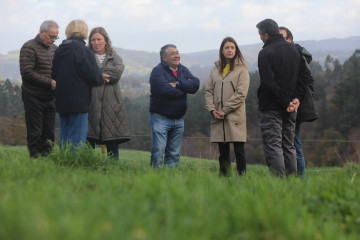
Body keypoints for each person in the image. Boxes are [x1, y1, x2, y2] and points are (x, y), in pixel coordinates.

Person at [256, 19, 308, 177]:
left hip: (272, 107)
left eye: (260, 35)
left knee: (274, 146)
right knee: (288, 145)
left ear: (266, 35)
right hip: (292, 106)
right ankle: (292, 182)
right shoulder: (294, 50)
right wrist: (296, 99)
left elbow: (268, 82)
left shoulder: (265, 52)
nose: (260, 38)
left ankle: (279, 183)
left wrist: (286, 102)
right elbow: (305, 76)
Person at [51, 20, 109, 148]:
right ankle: (74, 166)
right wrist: (101, 77)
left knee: (65, 137)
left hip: (61, 99)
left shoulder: (59, 50)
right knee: (77, 139)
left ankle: (62, 164)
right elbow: (93, 77)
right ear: (84, 32)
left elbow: (54, 74)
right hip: (79, 100)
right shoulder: (83, 51)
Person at [205, 37, 250, 176]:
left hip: (235, 115)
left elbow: (241, 94)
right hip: (218, 115)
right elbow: (208, 91)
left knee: (239, 150)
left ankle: (242, 178)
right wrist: (212, 109)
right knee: (222, 151)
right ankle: (224, 178)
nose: (230, 50)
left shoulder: (242, 70)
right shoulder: (214, 70)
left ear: (236, 50)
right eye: (227, 47)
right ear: (222, 50)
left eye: (232, 47)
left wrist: (225, 110)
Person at [149, 44, 200, 168]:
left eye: (177, 52)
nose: (177, 55)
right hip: (161, 118)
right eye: (173, 53)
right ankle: (153, 178)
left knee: (174, 153)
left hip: (179, 119)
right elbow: (166, 90)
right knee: (158, 151)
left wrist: (177, 84)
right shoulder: (157, 71)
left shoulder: (183, 69)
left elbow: (195, 84)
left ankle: (169, 178)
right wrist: (185, 88)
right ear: (164, 58)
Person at [280, 26, 319, 177]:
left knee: (294, 143)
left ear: (289, 39)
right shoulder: (289, 54)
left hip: (295, 106)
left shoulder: (296, 55)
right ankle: (293, 178)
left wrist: (299, 99)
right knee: (290, 143)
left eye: (282, 38)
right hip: (289, 104)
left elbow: (307, 80)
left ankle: (299, 180)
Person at [87, 27, 130, 160]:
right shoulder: (86, 56)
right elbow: (84, 74)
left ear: (106, 40)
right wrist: (101, 74)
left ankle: (113, 171)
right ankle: (85, 167)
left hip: (111, 104)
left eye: (99, 39)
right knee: (88, 140)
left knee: (112, 140)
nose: (96, 42)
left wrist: (95, 74)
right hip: (90, 103)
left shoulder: (115, 57)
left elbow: (116, 74)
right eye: (93, 40)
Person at [19, 20, 59, 158]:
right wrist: (50, 83)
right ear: (42, 32)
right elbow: (27, 72)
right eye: (51, 36)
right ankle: (35, 161)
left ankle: (47, 161)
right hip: (33, 96)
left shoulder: (55, 48)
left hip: (51, 98)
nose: (53, 40)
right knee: (35, 132)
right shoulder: (29, 47)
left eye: (56, 37)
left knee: (49, 133)